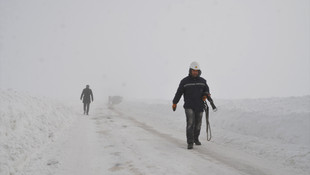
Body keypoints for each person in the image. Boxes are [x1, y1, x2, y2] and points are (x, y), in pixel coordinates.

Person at [172, 61, 211, 149]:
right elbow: (179, 93)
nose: (195, 72)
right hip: (189, 106)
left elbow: (207, 90)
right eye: (193, 70)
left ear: (199, 71)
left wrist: (206, 95)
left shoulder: (203, 81)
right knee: (190, 123)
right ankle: (190, 142)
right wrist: (175, 102)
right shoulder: (184, 81)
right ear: (190, 70)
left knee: (198, 124)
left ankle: (195, 139)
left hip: (200, 105)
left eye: (196, 71)